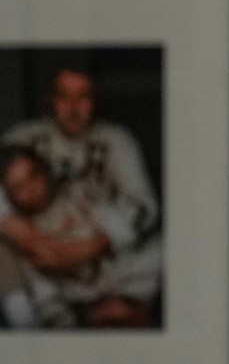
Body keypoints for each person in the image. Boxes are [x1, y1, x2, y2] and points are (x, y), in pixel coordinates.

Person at [0, 62, 162, 326]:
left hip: (109, 256)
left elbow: (145, 206)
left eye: (83, 97)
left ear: (96, 100)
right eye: (63, 97)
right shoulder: (24, 138)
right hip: (45, 263)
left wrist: (89, 247)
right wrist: (25, 235)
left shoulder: (117, 139)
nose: (73, 108)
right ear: (50, 100)